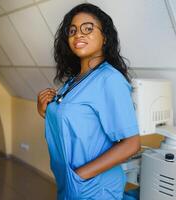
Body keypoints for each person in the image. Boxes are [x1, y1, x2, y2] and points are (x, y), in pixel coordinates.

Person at [37, 3, 140, 200]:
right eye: (73, 30)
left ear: (105, 37)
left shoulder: (109, 79)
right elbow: (76, 125)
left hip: (94, 187)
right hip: (69, 183)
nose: (78, 35)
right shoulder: (73, 81)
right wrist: (44, 111)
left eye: (88, 28)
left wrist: (80, 175)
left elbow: (131, 144)